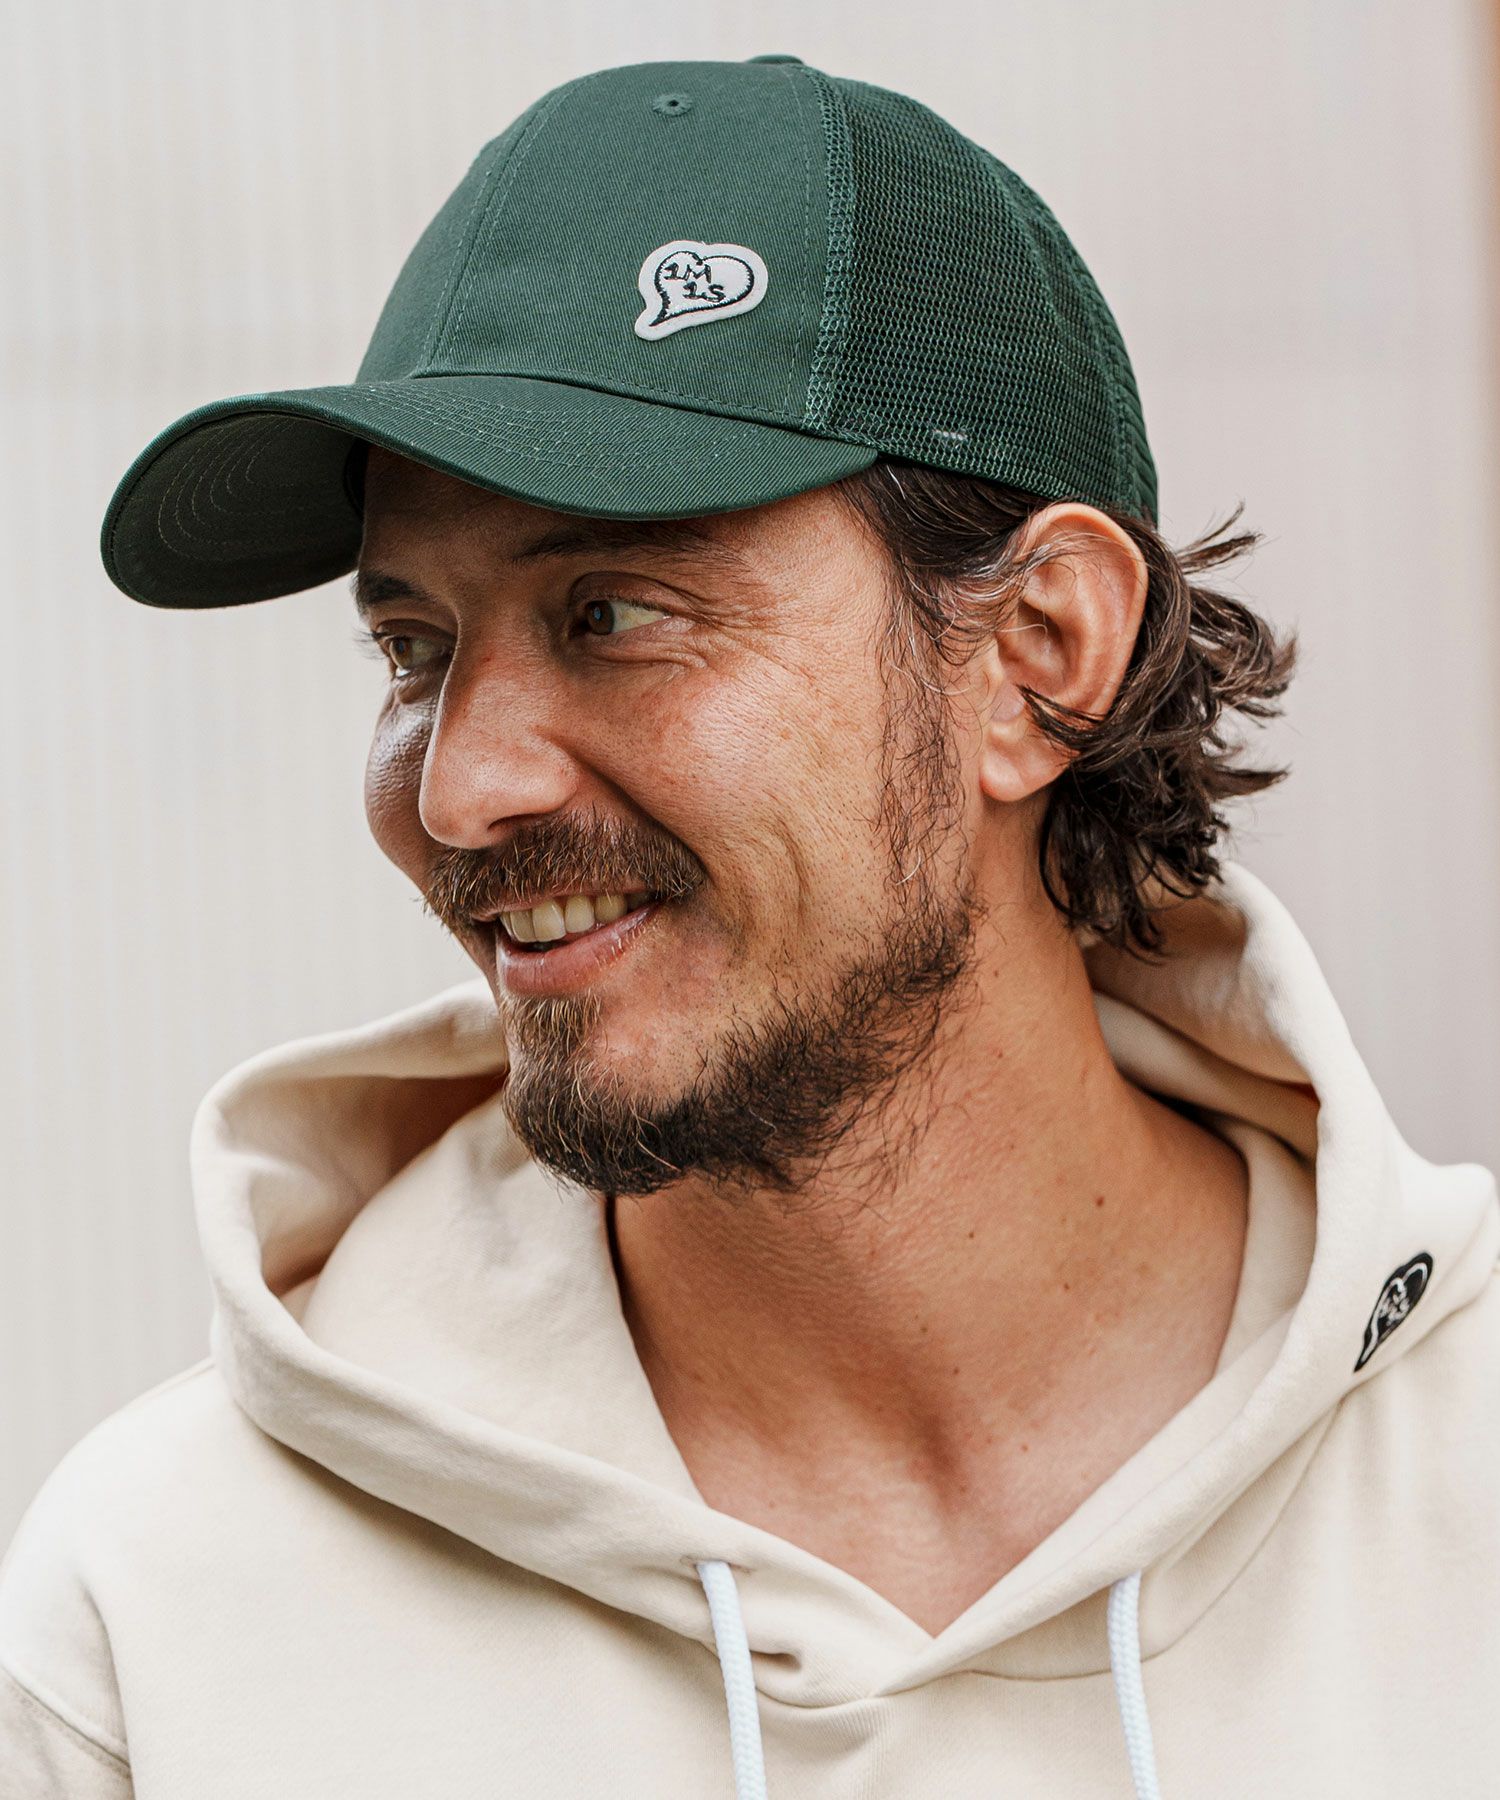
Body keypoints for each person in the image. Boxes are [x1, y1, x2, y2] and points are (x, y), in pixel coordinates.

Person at [3, 51, 1496, 1799]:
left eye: (613, 610)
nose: (460, 788)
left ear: (1039, 655)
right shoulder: (164, 1618)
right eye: (414, 649)